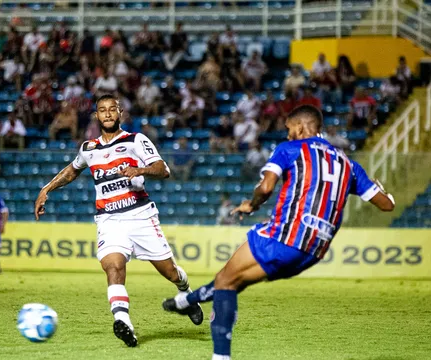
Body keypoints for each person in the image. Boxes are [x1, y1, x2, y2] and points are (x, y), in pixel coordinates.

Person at [162, 105, 395, 360]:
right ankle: (186, 302)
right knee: (232, 281)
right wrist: (385, 191)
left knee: (225, 282)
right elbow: (386, 204)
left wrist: (252, 204)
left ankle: (219, 355)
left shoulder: (290, 149)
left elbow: (265, 187)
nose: (287, 135)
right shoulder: (349, 164)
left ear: (301, 127)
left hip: (286, 236)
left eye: (288, 129)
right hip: (314, 250)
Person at [33, 94, 203, 347]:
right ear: (97, 116)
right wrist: (46, 189)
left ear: (120, 113)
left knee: (170, 272)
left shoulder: (135, 140)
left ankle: (186, 293)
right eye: (103, 110)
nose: (108, 114)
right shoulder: (88, 149)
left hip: (140, 216)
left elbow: (163, 169)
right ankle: (124, 321)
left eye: (113, 109)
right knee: (113, 266)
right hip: (109, 220)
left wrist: (140, 169)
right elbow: (72, 170)